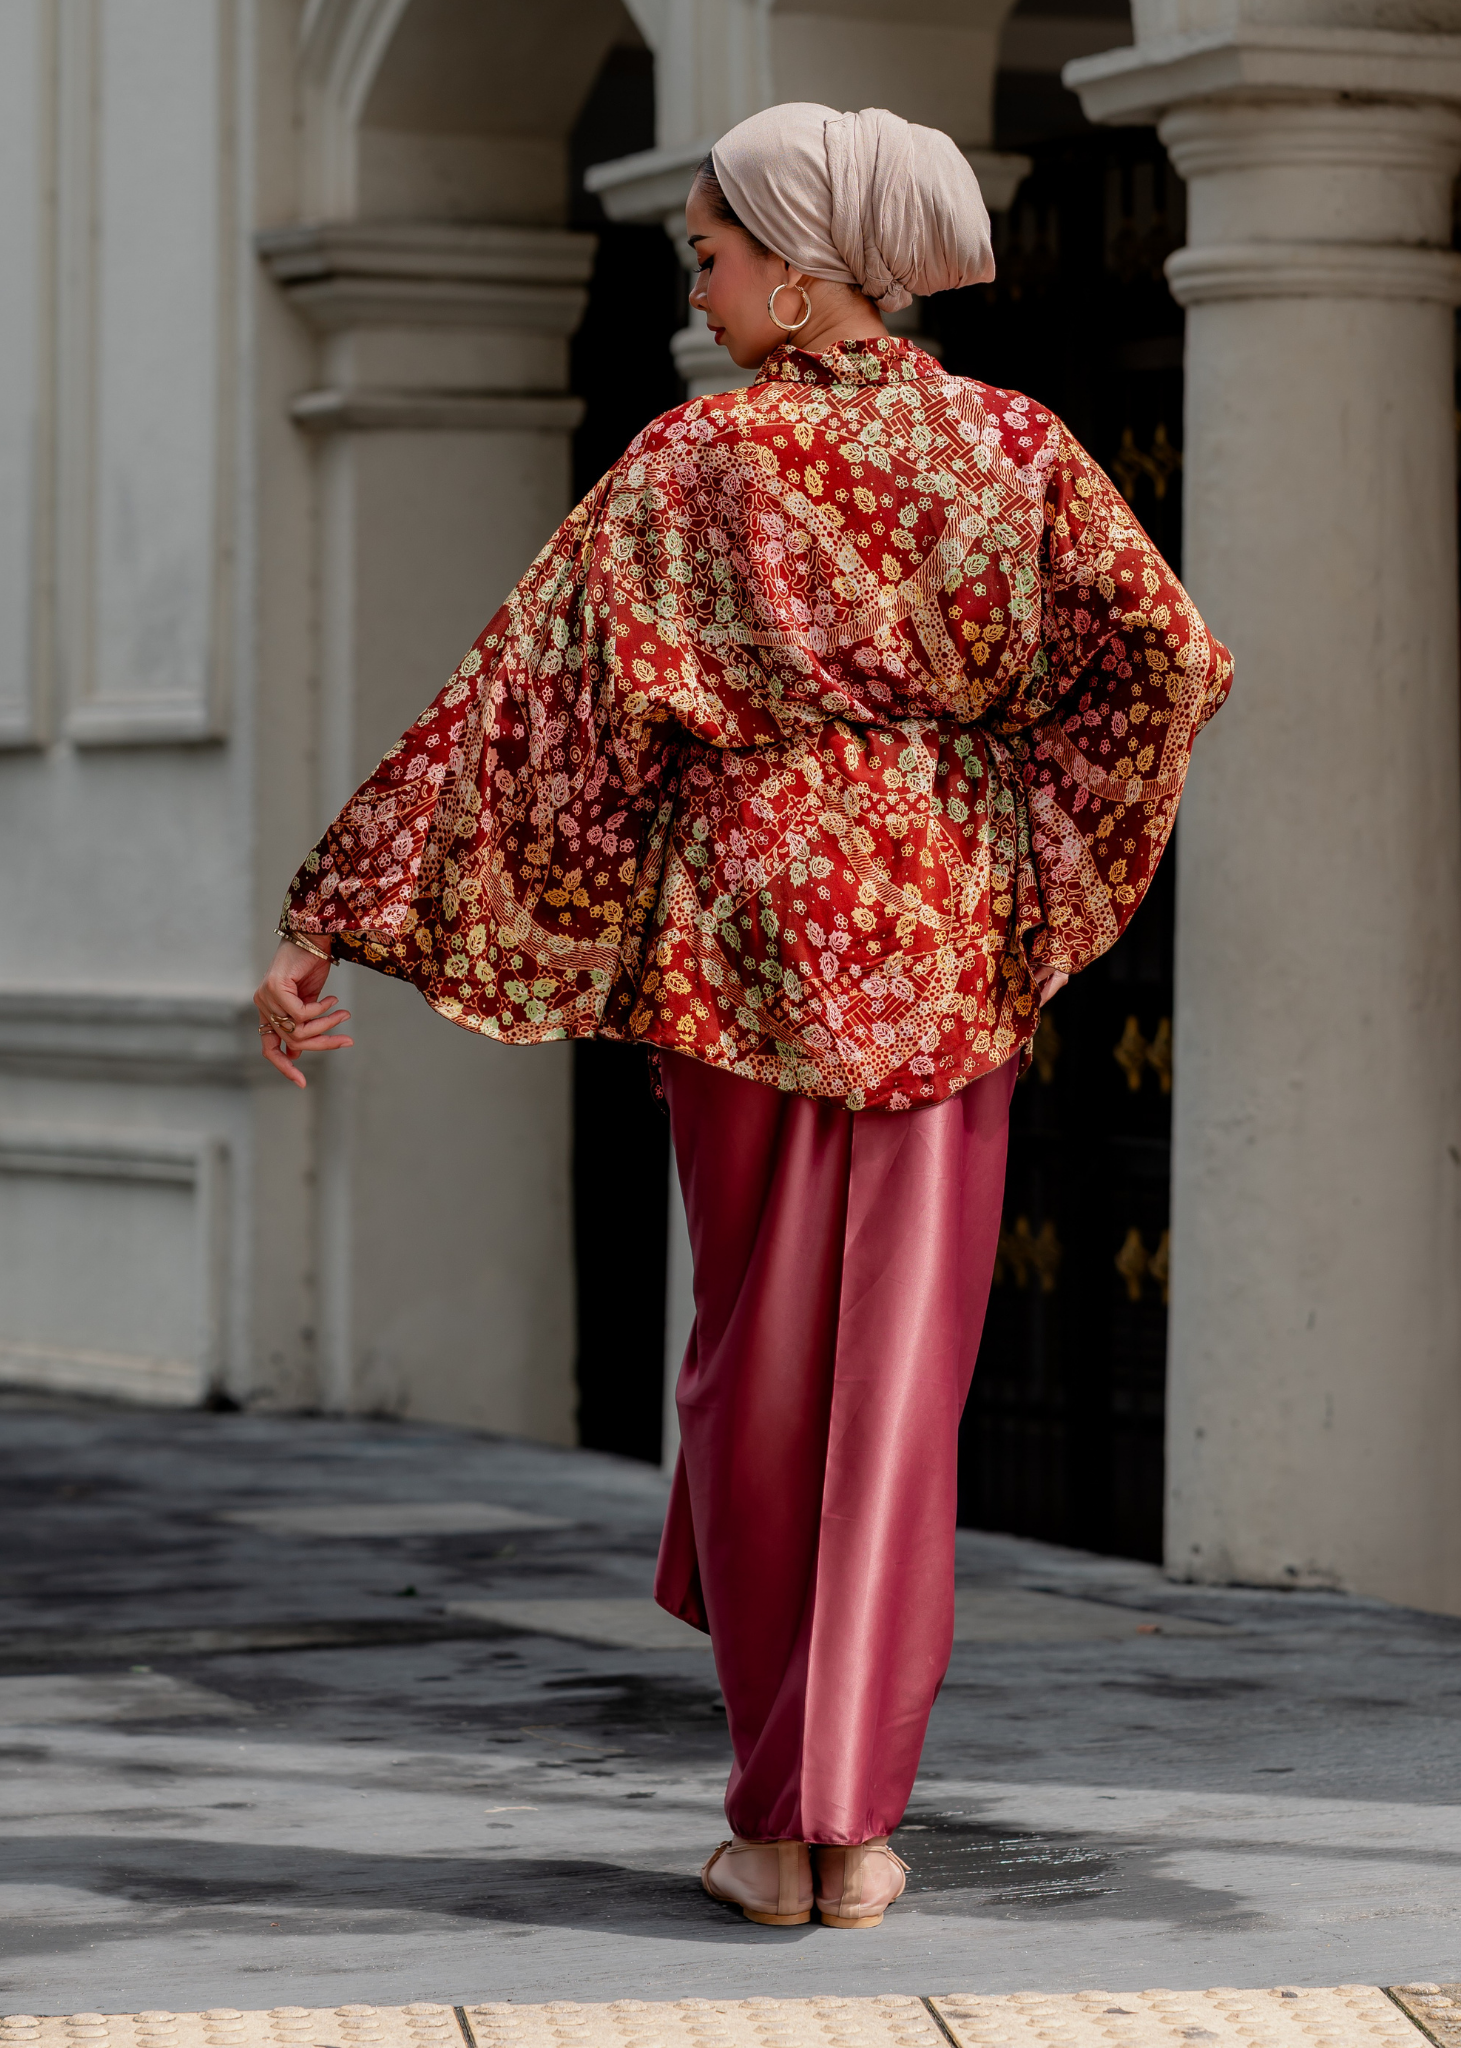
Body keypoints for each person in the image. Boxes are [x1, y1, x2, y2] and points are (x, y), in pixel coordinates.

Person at [251, 101, 1230, 1931]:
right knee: (899, 1392)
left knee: (758, 1373)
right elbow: (1168, 661)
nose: (694, 288)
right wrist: (1009, 841)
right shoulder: (1015, 450)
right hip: (939, 938)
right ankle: (846, 1832)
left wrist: (331, 920)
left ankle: (777, 1829)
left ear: (798, 266)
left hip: (745, 949)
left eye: (708, 253)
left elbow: (520, 709)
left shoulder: (694, 465)